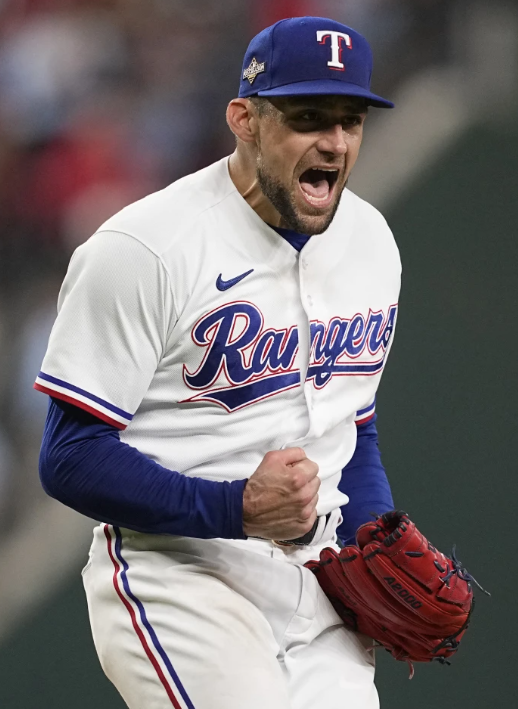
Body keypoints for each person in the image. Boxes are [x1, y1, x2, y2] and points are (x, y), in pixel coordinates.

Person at [35, 16, 399, 709]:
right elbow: (69, 454)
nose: (334, 141)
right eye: (308, 117)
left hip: (316, 581)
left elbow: (355, 431)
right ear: (245, 120)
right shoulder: (147, 248)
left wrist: (370, 548)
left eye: (351, 120)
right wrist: (235, 508)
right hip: (178, 570)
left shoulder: (372, 243)